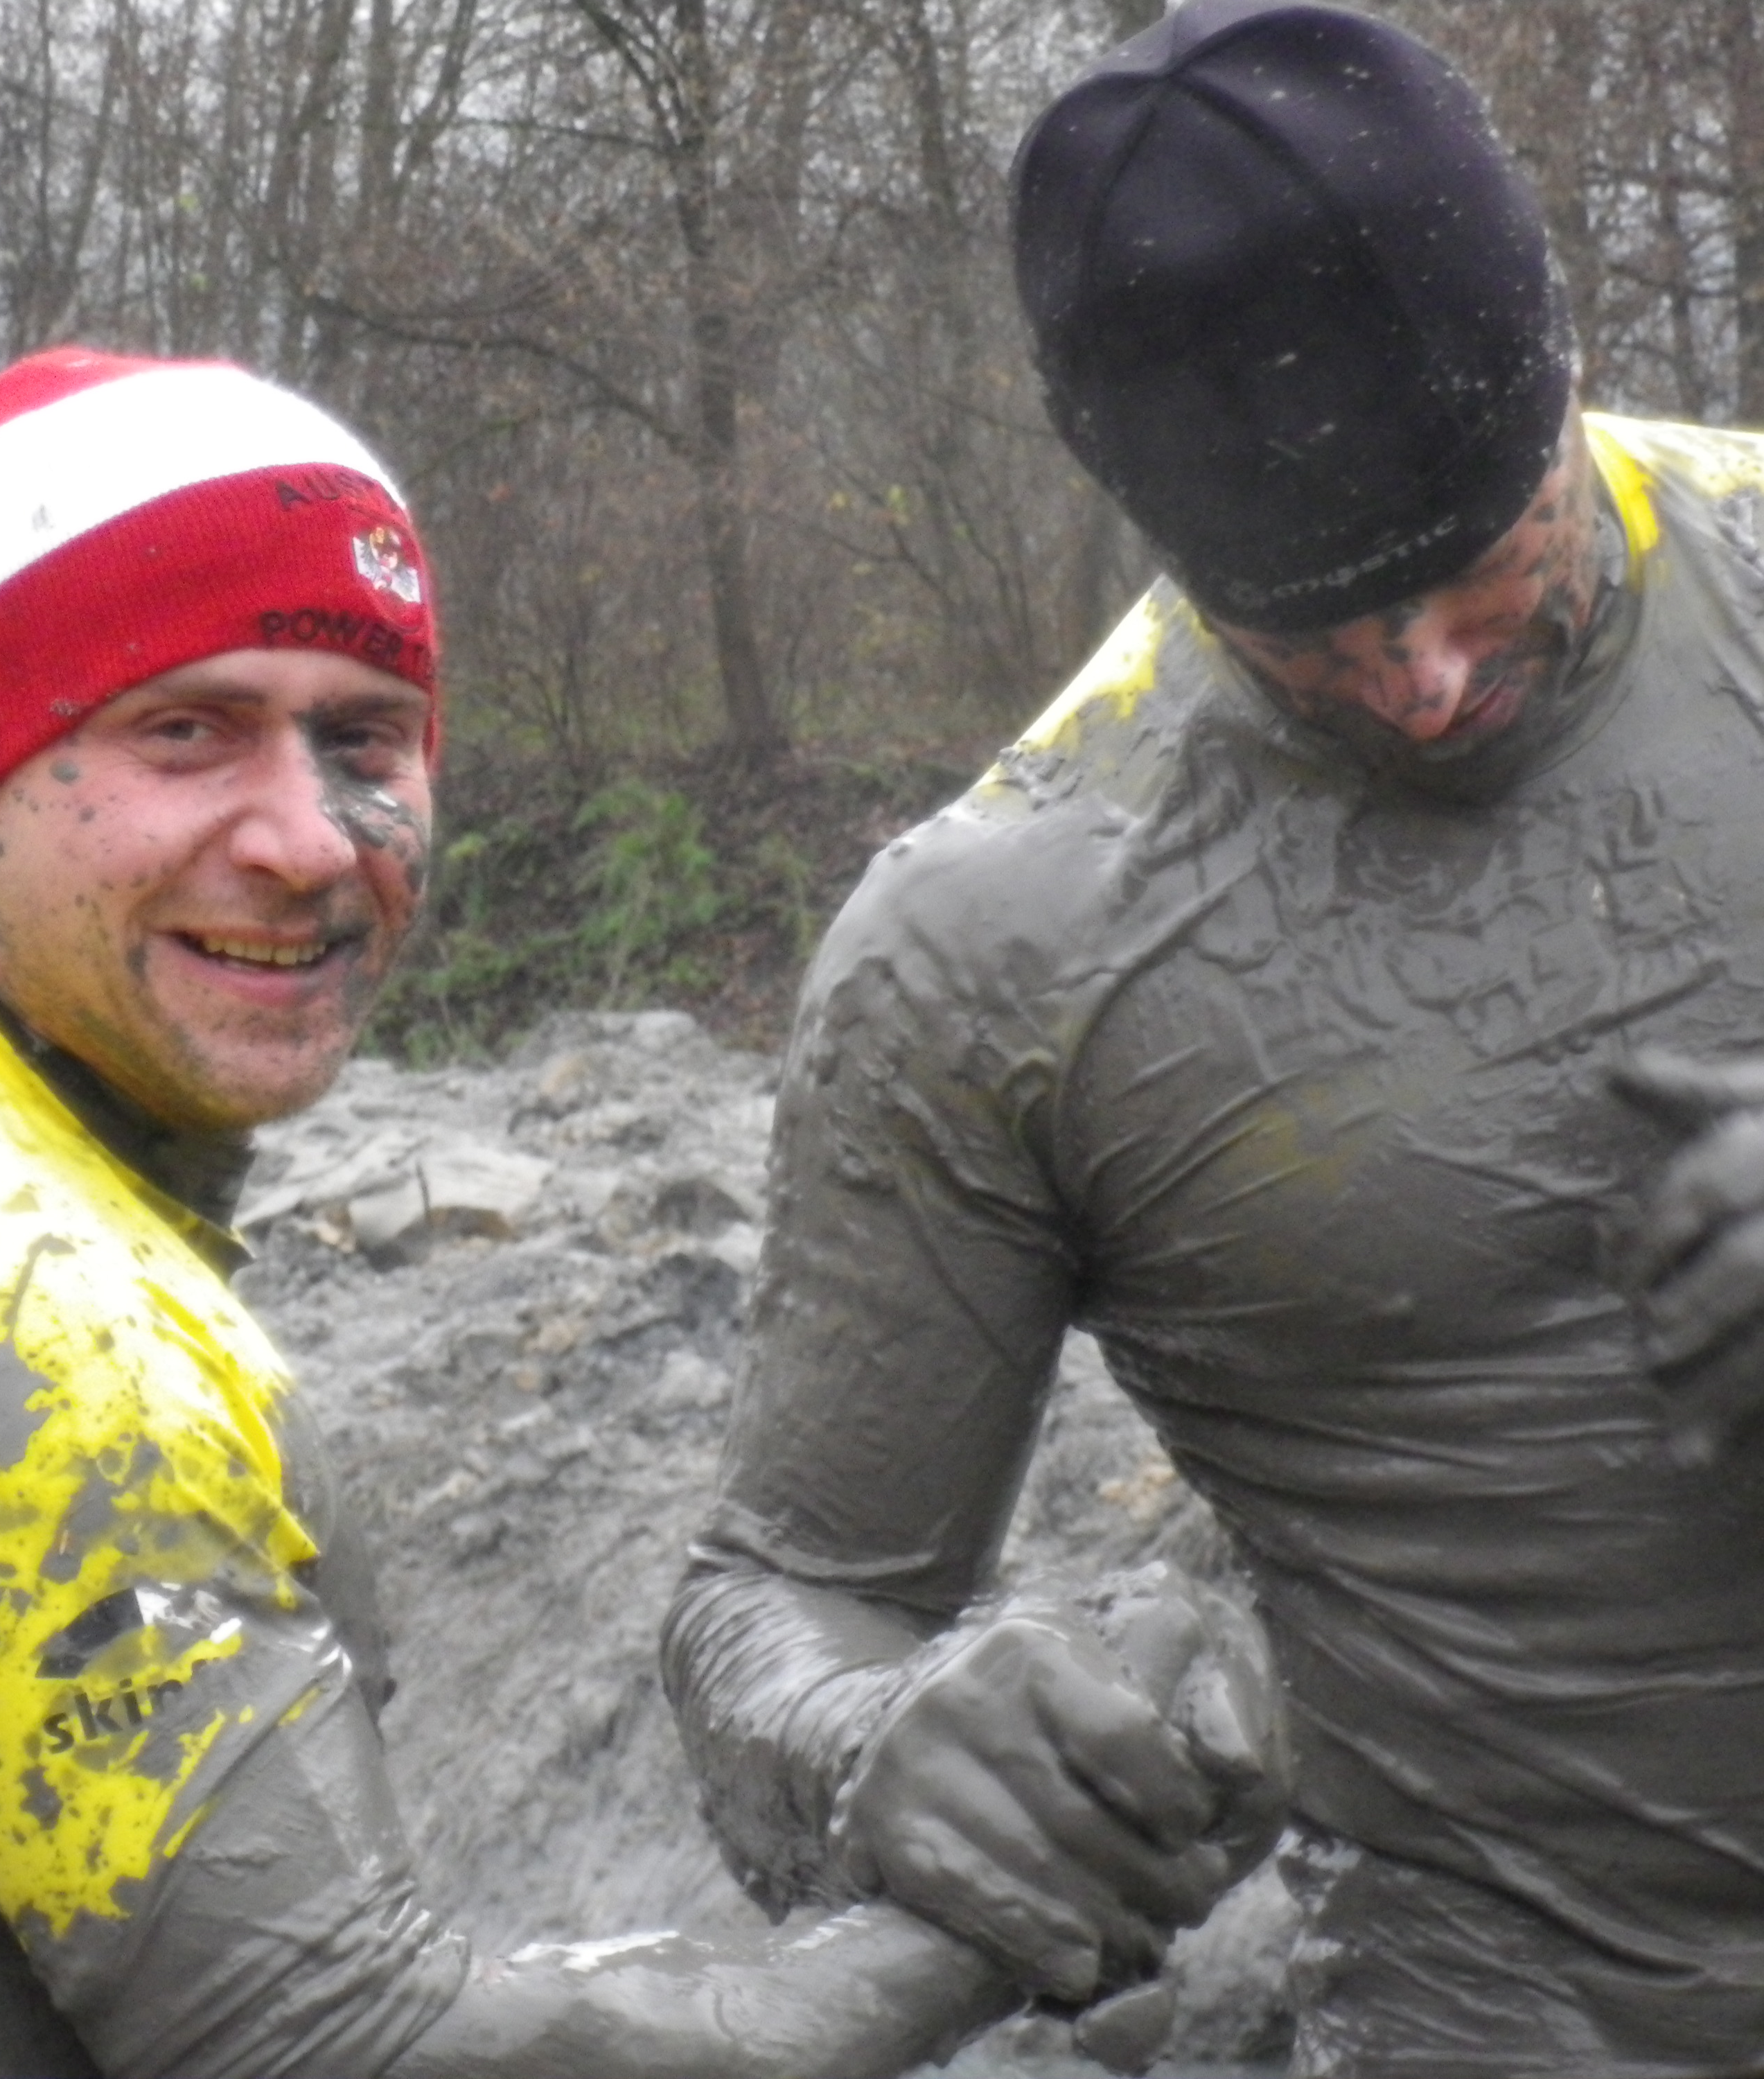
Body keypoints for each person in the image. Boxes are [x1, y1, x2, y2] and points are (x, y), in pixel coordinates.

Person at [0, 348, 1269, 2079]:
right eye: (183, 732)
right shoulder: (16, 1320)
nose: (303, 841)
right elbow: (347, 2045)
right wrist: (1009, 1907)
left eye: (362, 739)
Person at [662, 4, 1764, 2073]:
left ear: (1562, 375)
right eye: (1312, 629)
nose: (1420, 679)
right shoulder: (994, 936)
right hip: (1518, 2015)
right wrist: (868, 1739)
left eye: (1477, 567)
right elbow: (770, 1603)